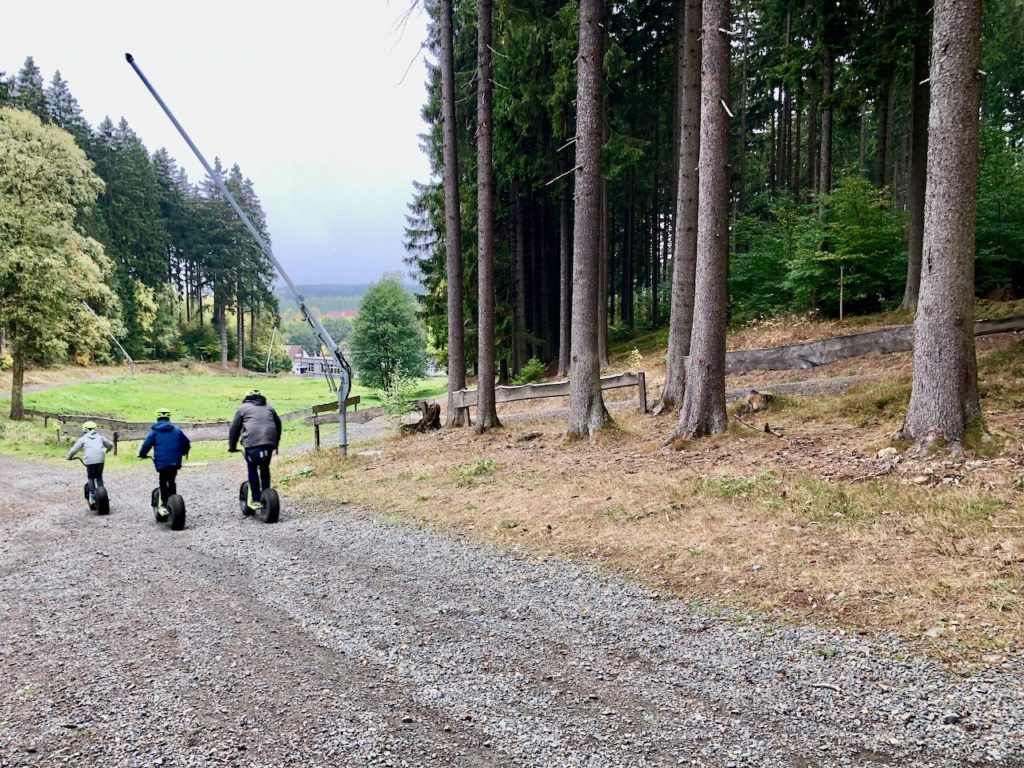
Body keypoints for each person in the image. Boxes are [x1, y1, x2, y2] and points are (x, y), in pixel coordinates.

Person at [228, 389, 282, 511]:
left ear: (247, 398)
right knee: (264, 467)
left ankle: (256, 498)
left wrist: (232, 446)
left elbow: (234, 428)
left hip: (252, 443)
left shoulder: (242, 408)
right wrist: (275, 444)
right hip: (268, 443)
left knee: (252, 467)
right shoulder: (269, 408)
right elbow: (278, 426)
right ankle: (266, 493)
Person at [138, 408, 191, 518]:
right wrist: (184, 452)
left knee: (163, 480)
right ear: (168, 418)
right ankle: (173, 500)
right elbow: (186, 443)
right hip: (175, 461)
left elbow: (146, 445)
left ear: (157, 418)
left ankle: (164, 503)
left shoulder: (154, 432)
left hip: (162, 463)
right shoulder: (177, 430)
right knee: (172, 480)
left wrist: (142, 454)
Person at [67, 421, 114, 496]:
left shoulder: (83, 439)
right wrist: (107, 450)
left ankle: (92, 495)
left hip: (89, 460)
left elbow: (74, 450)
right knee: (99, 476)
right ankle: (102, 495)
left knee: (91, 477)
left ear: (84, 429)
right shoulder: (100, 437)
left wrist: (69, 457)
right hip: (100, 460)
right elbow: (110, 445)